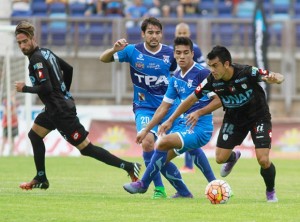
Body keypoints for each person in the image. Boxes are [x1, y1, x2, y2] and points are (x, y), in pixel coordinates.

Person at [14, 21, 141, 190]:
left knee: (86, 148)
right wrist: (64, 93)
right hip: (54, 108)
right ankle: (41, 178)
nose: (22, 46)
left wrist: (25, 88)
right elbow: (69, 69)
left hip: (60, 112)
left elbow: (46, 87)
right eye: (19, 43)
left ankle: (129, 166)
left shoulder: (36, 59)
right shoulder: (46, 53)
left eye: (24, 42)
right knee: (34, 135)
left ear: (32, 38)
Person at [154, 45, 284, 202]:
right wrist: (171, 119)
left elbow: (274, 76)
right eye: (210, 66)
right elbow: (190, 100)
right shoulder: (211, 80)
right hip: (234, 118)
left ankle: (270, 191)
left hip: (258, 117)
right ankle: (233, 157)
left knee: (263, 160)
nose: (212, 70)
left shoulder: (246, 72)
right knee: (220, 158)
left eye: (215, 66)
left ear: (227, 64)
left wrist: (276, 79)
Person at [100, 17, 189, 199]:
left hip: (169, 107)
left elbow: (182, 75)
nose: (154, 36)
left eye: (157, 32)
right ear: (143, 34)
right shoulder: (133, 51)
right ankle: (159, 189)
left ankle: (185, 191)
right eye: (150, 32)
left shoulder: (170, 54)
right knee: (148, 142)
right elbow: (103, 59)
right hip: (145, 107)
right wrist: (114, 50)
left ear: (161, 34)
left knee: (189, 148)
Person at [123, 36, 221, 197]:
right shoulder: (175, 77)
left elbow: (219, 100)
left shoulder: (202, 74)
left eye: (186, 53)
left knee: (163, 143)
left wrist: (198, 112)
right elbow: (164, 106)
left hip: (201, 128)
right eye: (178, 53)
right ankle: (185, 193)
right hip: (185, 125)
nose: (182, 56)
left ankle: (143, 184)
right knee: (160, 161)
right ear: (174, 55)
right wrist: (146, 130)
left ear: (192, 54)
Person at [173, 22, 206, 173]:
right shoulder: (172, 51)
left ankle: (189, 165)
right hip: (178, 93)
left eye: (184, 33)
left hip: (192, 94)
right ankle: (189, 165)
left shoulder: (195, 49)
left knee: (188, 128)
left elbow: (204, 69)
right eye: (179, 33)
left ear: (189, 34)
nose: (182, 36)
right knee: (185, 129)